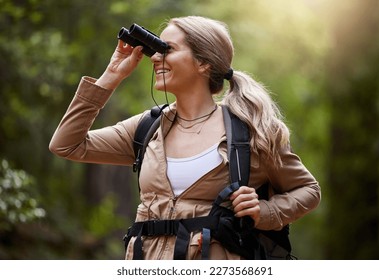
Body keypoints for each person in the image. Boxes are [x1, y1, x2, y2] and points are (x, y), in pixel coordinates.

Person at [49, 16, 321, 260]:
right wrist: (110, 76)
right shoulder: (147, 127)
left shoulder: (252, 131)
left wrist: (264, 213)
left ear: (203, 63)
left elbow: (308, 190)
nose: (155, 58)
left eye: (167, 50)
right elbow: (66, 144)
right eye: (155, 50)